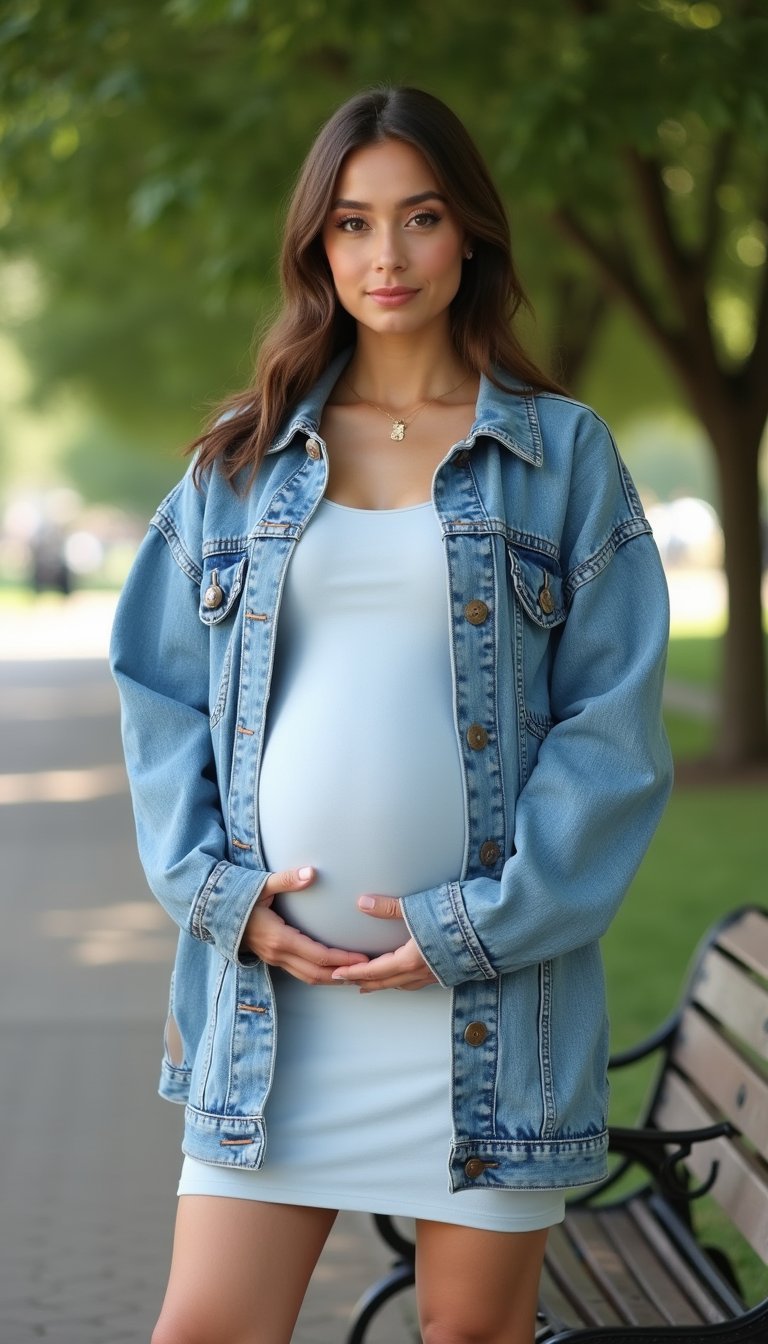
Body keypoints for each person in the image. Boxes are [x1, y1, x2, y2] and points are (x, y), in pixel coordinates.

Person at [110, 86, 673, 1344]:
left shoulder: (563, 456)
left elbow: (614, 730)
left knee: (469, 1338)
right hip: (276, 1010)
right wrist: (223, 897)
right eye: (353, 223)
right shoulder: (238, 460)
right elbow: (158, 698)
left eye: (418, 218)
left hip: (489, 1007)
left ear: (468, 233)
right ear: (316, 245)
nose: (386, 255)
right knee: (203, 1330)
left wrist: (482, 924)